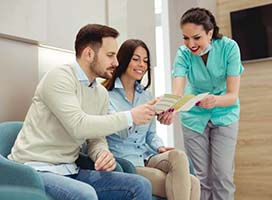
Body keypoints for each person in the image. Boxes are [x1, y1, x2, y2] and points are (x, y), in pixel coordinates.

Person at [8, 24, 156, 200]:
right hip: (35, 169)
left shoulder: (100, 92)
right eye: (110, 55)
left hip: (70, 169)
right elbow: (79, 126)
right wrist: (130, 116)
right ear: (89, 54)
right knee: (85, 194)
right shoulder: (59, 78)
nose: (116, 62)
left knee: (140, 185)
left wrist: (101, 153)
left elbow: (96, 138)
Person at [103, 39, 201, 200]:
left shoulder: (146, 95)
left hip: (147, 156)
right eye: (136, 59)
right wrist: (136, 115)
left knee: (179, 156)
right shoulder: (106, 95)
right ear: (123, 59)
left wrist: (159, 147)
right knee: (192, 184)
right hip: (125, 162)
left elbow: (150, 135)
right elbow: (119, 132)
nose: (142, 64)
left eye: (145, 61)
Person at [171, 8, 244, 200]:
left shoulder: (229, 48)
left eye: (196, 37)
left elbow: (232, 95)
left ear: (210, 33)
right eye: (185, 38)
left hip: (225, 114)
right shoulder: (183, 53)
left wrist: (215, 101)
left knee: (222, 175)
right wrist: (170, 108)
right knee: (199, 178)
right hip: (193, 117)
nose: (190, 44)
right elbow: (177, 91)